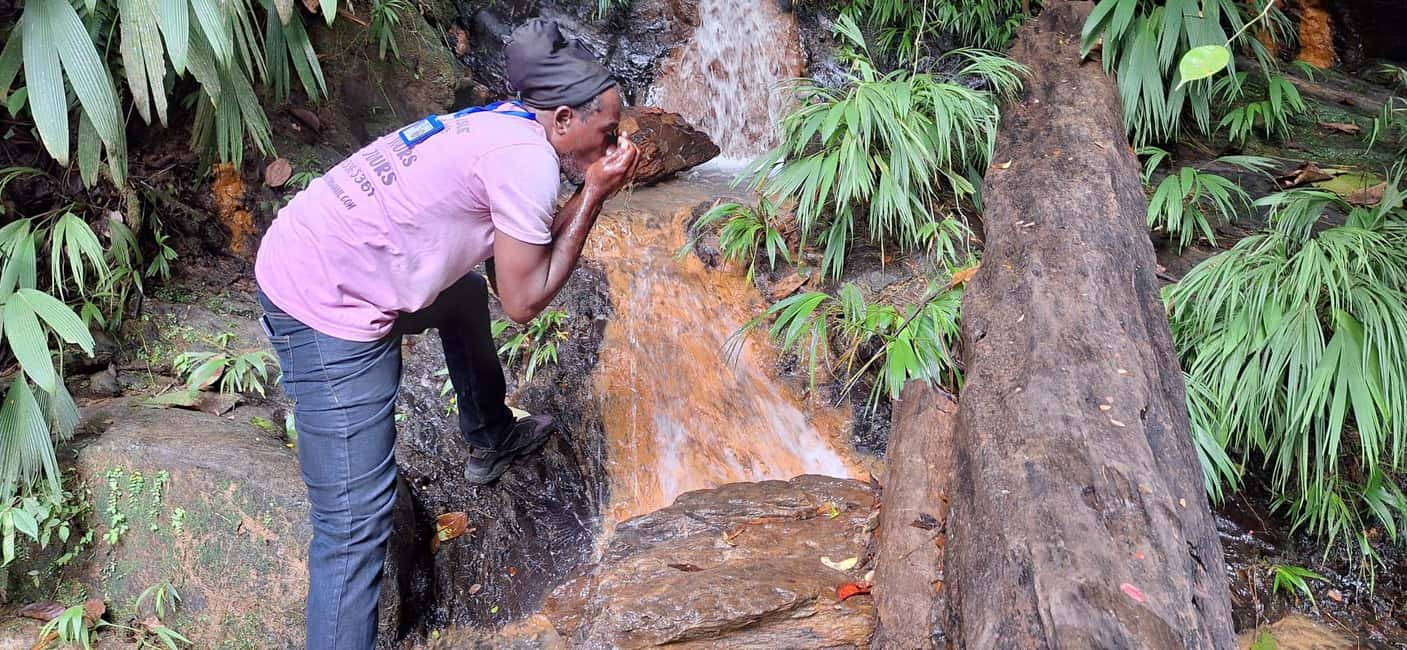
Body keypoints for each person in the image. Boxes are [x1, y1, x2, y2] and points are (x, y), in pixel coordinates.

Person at [252, 17, 638, 650]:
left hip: (320, 246)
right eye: (608, 130)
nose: (613, 140)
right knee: (354, 527)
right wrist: (594, 191)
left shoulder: (503, 122)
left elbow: (503, 260)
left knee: (460, 297)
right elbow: (523, 298)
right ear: (564, 119)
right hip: (321, 303)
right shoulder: (529, 164)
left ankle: (490, 435)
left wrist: (586, 184)